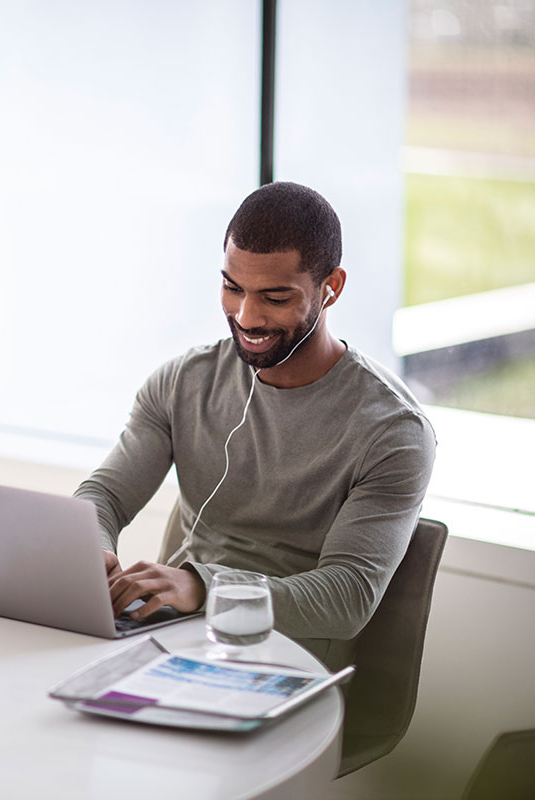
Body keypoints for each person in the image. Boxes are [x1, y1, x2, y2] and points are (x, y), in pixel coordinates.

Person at [74, 182, 436, 670]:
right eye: (232, 288)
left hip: (288, 661)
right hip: (171, 639)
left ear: (332, 287)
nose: (246, 316)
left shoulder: (393, 431)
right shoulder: (183, 382)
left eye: (275, 297)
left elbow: (346, 598)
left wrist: (201, 586)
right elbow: (104, 496)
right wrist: (90, 548)